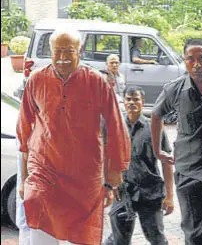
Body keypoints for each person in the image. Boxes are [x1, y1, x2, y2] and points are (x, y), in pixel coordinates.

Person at [16, 28, 131, 245]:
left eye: (68, 51)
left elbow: (116, 126)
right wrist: (24, 178)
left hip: (84, 173)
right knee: (37, 208)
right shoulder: (37, 80)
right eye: (57, 51)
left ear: (79, 51)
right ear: (50, 51)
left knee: (83, 234)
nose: (62, 58)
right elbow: (24, 127)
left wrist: (114, 173)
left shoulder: (97, 82)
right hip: (45, 167)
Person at [151, 38, 202, 245]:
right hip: (188, 168)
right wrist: (158, 151)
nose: (197, 64)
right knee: (194, 230)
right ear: (184, 62)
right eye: (190, 59)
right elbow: (157, 116)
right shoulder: (174, 89)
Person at [104, 86, 174, 245]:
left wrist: (169, 196)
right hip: (122, 191)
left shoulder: (155, 128)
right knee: (117, 239)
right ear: (123, 101)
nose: (132, 102)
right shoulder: (116, 127)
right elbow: (106, 158)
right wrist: (108, 185)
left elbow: (166, 163)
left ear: (143, 101)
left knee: (156, 238)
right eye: (128, 99)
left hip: (149, 192)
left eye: (136, 99)